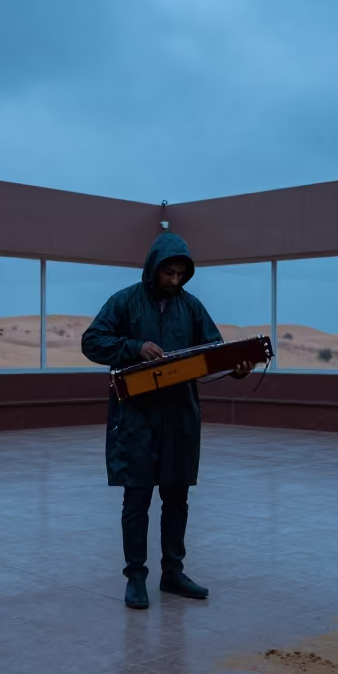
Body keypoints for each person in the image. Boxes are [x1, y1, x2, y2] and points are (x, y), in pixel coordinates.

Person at [81, 233, 253, 610]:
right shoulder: (123, 302)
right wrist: (133, 347)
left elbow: (214, 354)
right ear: (153, 268)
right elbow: (92, 341)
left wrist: (236, 369)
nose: (174, 280)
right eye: (168, 272)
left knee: (177, 497)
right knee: (137, 497)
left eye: (180, 273)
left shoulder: (192, 307)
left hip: (180, 419)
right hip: (136, 419)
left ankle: (173, 572)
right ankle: (136, 578)